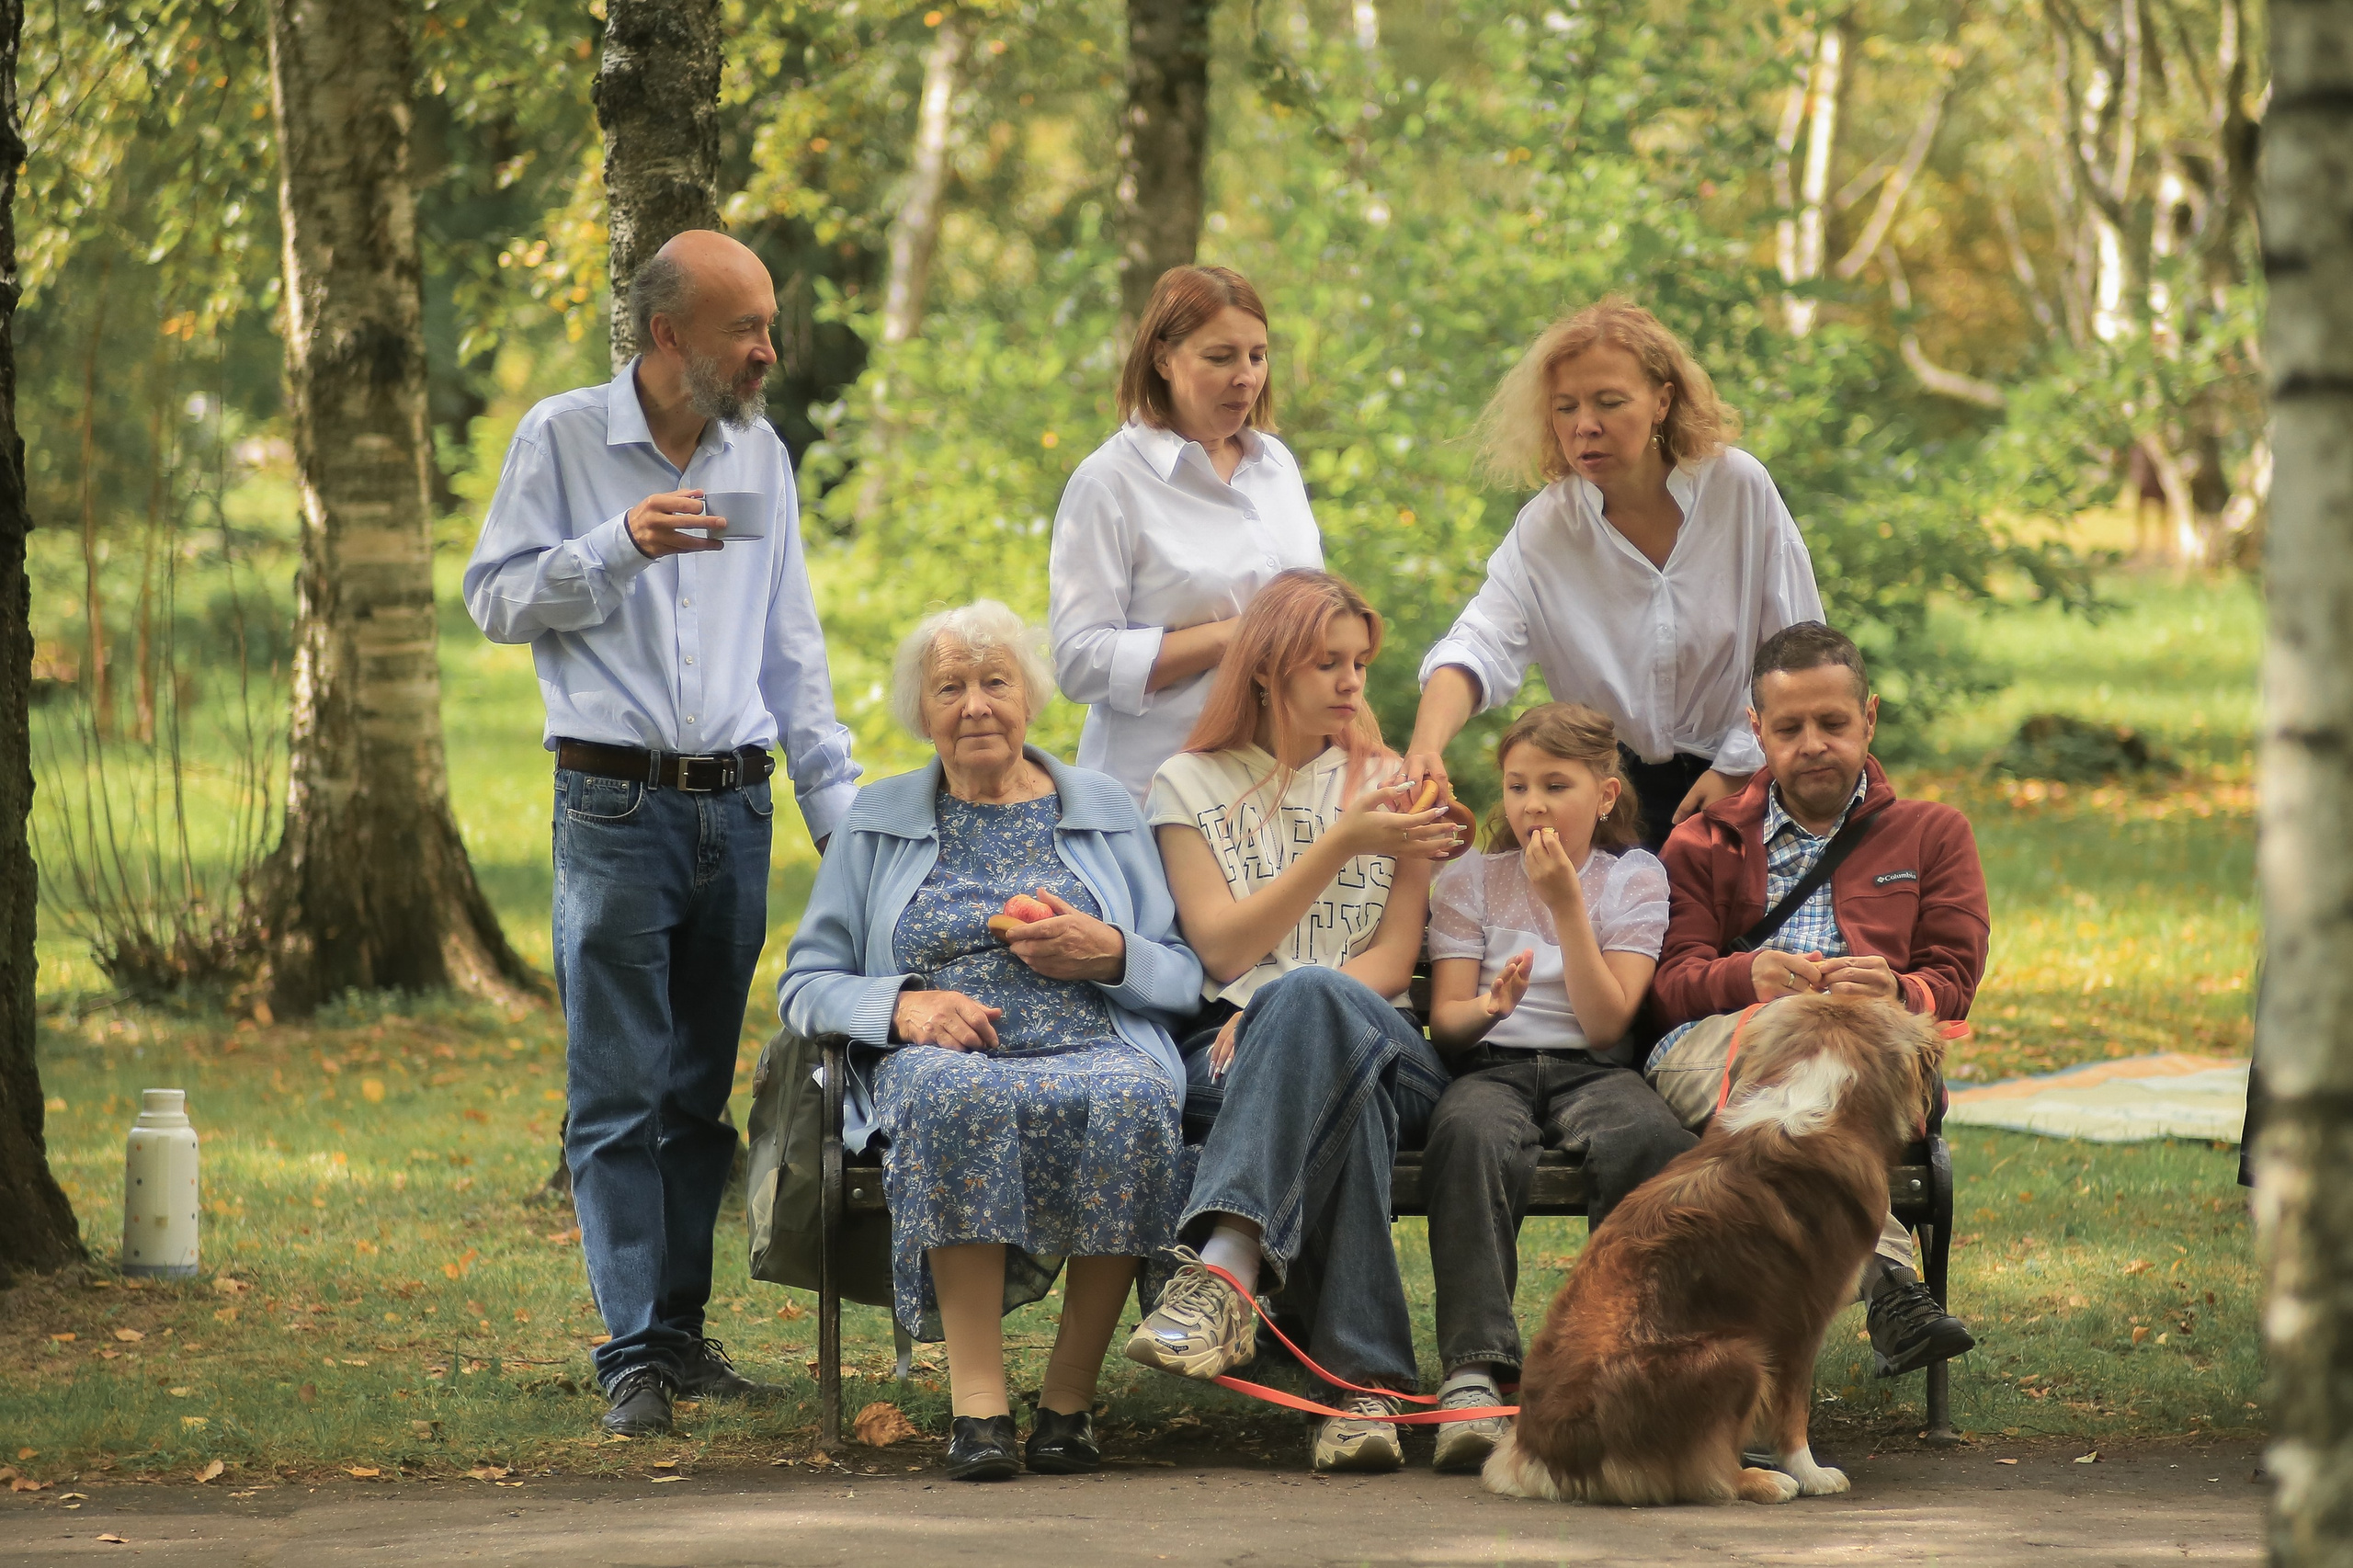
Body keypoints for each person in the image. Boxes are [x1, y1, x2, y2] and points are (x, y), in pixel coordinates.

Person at [462, 231, 860, 1438]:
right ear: (666, 334)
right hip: (614, 808)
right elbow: (492, 596)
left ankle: (681, 1337)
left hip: (732, 812)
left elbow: (791, 647)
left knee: (697, 1095)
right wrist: (617, 547)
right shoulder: (564, 439)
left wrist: (839, 820)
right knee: (617, 1090)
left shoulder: (760, 455)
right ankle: (630, 1349)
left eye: (769, 325)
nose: (767, 351)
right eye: (745, 329)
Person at [778, 603, 1201, 1483]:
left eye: (995, 682)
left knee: (1134, 1098)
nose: (976, 706)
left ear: (1030, 699)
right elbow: (804, 983)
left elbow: (1182, 973)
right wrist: (904, 1009)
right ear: (922, 712)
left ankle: (1067, 1405)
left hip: (1095, 1039)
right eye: (951, 687)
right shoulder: (877, 818)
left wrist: (1110, 951)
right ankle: (979, 1410)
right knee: (950, 1094)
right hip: (946, 1057)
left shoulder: (1106, 809)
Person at [1122, 569, 1462, 1474]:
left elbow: (1392, 964)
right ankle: (1365, 1393)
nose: (1352, 682)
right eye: (1327, 662)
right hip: (1238, 1061)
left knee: (1309, 1002)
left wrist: (1281, 1002)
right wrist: (1339, 844)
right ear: (1268, 666)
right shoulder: (1184, 784)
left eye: (1359, 662)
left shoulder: (1394, 784)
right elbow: (1224, 949)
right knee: (1339, 1106)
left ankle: (1227, 1262)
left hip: (1391, 1048)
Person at [1647, 620, 1987, 1379]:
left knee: (1820, 1076)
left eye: (1834, 723)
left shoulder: (1933, 835)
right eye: (1790, 727)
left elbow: (1954, 980)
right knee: (1799, 1060)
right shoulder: (1702, 842)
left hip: (1868, 1054)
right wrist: (1747, 979)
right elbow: (1666, 988)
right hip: (1725, 1049)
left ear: (1869, 718)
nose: (1813, 744)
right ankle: (1892, 1280)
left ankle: (1747, 1383)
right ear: (1756, 732)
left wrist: (1897, 989)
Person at [1404, 296, 1824, 849]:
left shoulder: (1738, 488)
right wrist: (1426, 744)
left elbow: (1798, 652)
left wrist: (1736, 769)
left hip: (1752, 781)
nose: (1585, 427)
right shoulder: (1546, 529)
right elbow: (1480, 645)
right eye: (1565, 407)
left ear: (1661, 401)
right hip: (1612, 800)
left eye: (1609, 402)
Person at [1417, 702, 1694, 1472]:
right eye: (1516, 785)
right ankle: (1477, 1371)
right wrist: (1488, 1006)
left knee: (1652, 1142)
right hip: (1493, 1066)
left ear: (1605, 795)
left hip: (1594, 1068)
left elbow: (1608, 1025)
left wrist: (1569, 903)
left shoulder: (1632, 879)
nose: (1531, 804)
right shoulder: (1470, 879)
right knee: (1467, 1135)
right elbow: (1448, 1026)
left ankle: (1624, 1357)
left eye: (1555, 785)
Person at [1049, 265, 1324, 808]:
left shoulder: (1277, 466)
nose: (1245, 376)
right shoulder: (1108, 483)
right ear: (1163, 358)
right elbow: (1080, 662)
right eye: (1220, 357)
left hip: (1278, 791)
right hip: (1156, 796)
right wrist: (1240, 636)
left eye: (1258, 355)